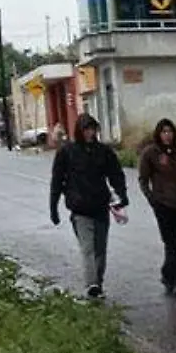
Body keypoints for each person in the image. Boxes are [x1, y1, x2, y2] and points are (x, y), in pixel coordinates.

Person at [48, 113, 128, 299]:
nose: (89, 133)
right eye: (86, 129)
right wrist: (53, 207)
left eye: (92, 129)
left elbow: (116, 174)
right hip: (79, 209)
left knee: (100, 249)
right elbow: (57, 181)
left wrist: (122, 195)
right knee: (88, 249)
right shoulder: (67, 152)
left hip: (100, 206)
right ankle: (91, 283)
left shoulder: (104, 151)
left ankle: (97, 283)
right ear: (79, 130)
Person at [138, 118, 176, 297]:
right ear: (158, 134)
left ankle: (167, 274)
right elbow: (143, 179)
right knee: (169, 241)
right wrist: (152, 198)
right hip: (162, 203)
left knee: (174, 242)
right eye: (164, 132)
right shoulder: (150, 153)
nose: (167, 135)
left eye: (170, 131)